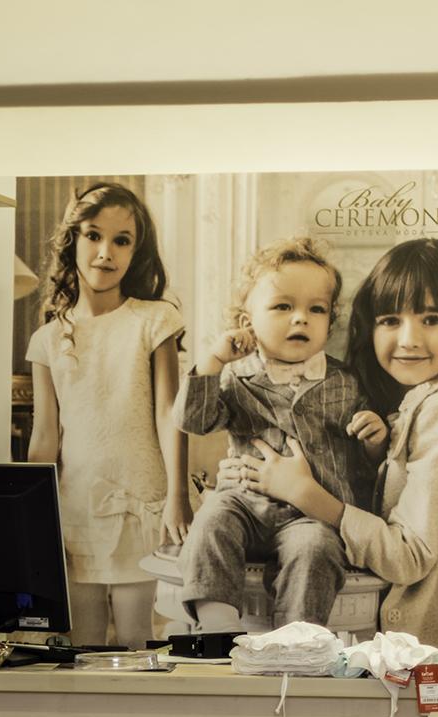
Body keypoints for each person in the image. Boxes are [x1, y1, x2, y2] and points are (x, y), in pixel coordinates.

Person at [231, 237, 438, 657]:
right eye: (390, 320)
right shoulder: (414, 400)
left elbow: (408, 554)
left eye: (431, 319)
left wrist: (303, 493)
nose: (409, 339)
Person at [175, 235, 376, 634]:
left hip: (310, 514)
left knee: (317, 550)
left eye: (316, 309)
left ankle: (297, 638)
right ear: (247, 322)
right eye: (283, 306)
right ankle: (217, 624)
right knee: (212, 521)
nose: (300, 318)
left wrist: (374, 436)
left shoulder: (346, 381)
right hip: (244, 503)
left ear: (330, 320)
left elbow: (368, 462)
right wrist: (213, 361)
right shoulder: (235, 375)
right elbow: (194, 422)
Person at [26, 182, 189, 649]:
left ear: (136, 252)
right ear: (72, 240)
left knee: (138, 639)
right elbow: (45, 437)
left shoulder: (154, 320)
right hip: (76, 507)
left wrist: (177, 495)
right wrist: (35, 517)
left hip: (142, 503)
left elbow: (168, 414)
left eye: (122, 240)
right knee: (83, 643)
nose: (105, 252)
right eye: (94, 236)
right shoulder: (48, 340)